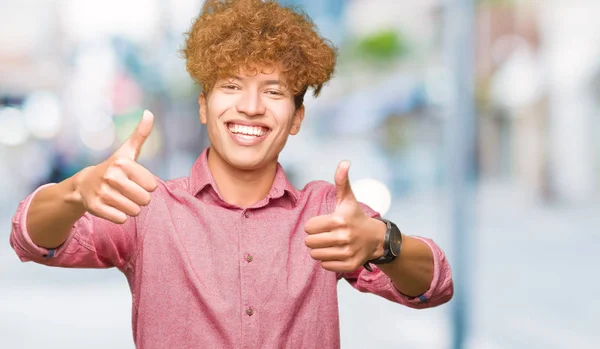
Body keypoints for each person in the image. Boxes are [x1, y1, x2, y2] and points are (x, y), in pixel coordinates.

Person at [9, 0, 453, 348]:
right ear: (204, 105)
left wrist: (381, 242)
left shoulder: (326, 213)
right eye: (232, 86)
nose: (251, 106)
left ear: (296, 117)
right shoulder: (148, 207)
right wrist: (73, 192)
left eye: (274, 91)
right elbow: (29, 239)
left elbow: (435, 286)